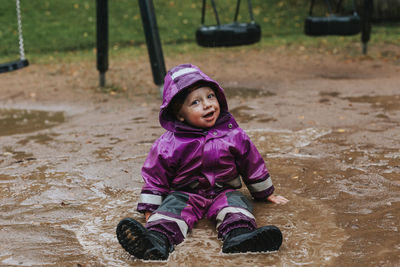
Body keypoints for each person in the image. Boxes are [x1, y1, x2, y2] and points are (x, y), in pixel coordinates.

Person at [116, 63, 289, 261]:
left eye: (210, 96)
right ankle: (155, 241)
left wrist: (265, 193)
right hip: (185, 193)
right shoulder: (169, 143)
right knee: (170, 211)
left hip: (223, 190)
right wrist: (150, 207)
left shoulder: (233, 135)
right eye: (195, 103)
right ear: (179, 114)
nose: (207, 105)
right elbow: (156, 175)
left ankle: (239, 237)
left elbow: (252, 163)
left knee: (237, 207)